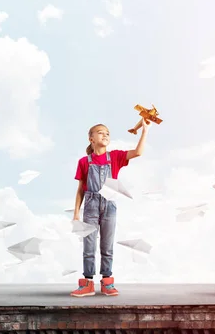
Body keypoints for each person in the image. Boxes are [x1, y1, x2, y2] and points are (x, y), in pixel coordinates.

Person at [70, 119, 151, 297]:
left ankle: (107, 282)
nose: (105, 134)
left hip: (109, 205)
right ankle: (87, 283)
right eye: (100, 132)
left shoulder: (114, 157)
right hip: (90, 205)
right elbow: (80, 189)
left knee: (107, 246)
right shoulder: (84, 162)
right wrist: (76, 212)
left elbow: (138, 152)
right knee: (88, 245)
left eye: (107, 132)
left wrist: (144, 130)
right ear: (91, 139)